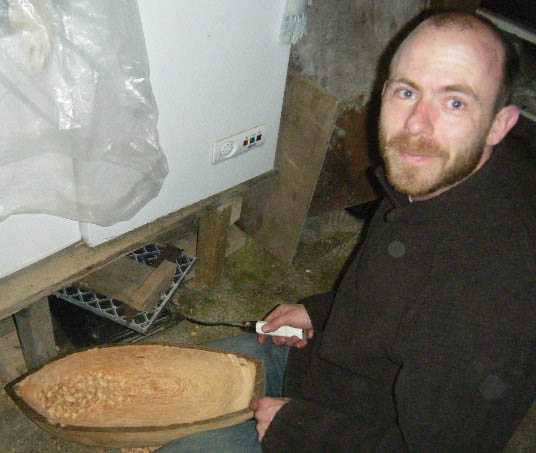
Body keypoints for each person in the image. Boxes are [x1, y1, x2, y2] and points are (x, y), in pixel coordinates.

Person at [159, 10, 536, 452]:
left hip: (354, 429)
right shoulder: (438, 178)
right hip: (324, 369)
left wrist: (297, 429)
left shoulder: (495, 292)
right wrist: (324, 311)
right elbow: (401, 291)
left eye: (455, 102)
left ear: (500, 124)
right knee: (166, 387)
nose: (417, 123)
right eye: (406, 92)